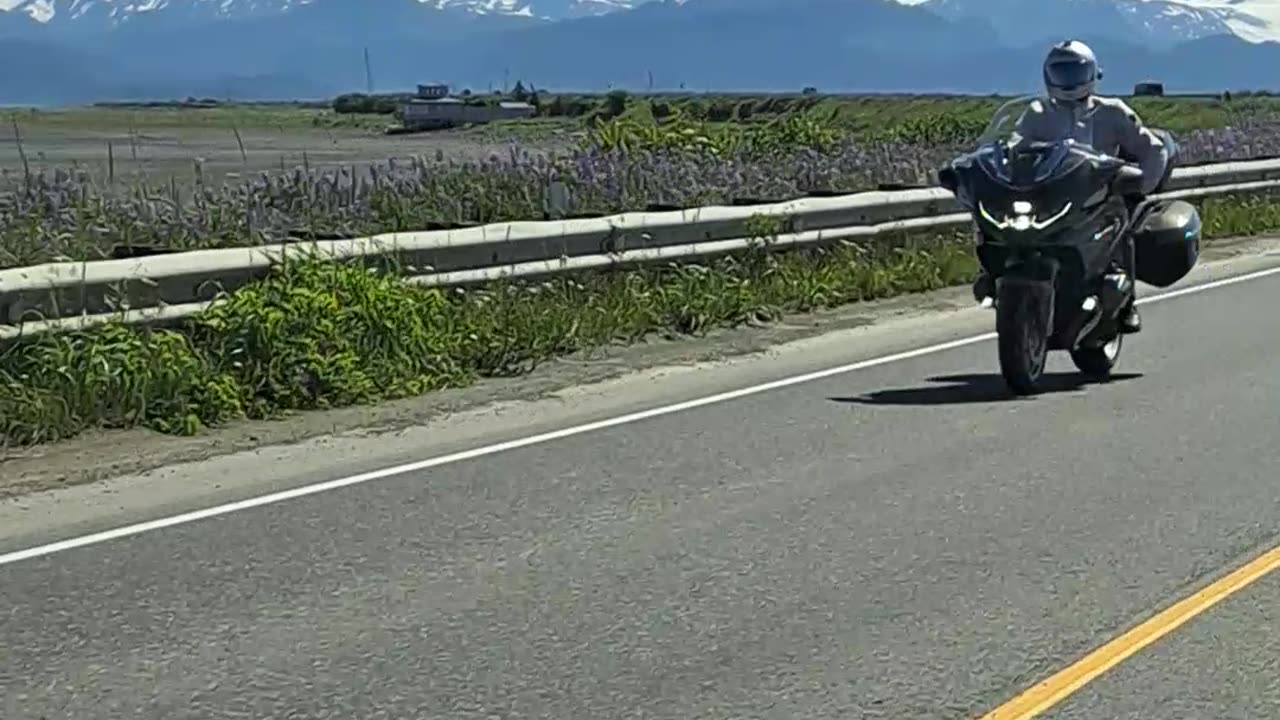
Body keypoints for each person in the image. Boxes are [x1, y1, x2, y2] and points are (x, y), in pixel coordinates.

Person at [971, 39, 1170, 334]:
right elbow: (1016, 143)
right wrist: (999, 162)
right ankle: (995, 274)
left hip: (1102, 191)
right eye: (1061, 72)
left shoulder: (1113, 111)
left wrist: (1143, 184)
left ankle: (1128, 304)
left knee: (1124, 227)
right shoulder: (1038, 113)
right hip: (1054, 189)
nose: (1068, 81)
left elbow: (1151, 148)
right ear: (1049, 75)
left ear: (1091, 74)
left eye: (1074, 72)